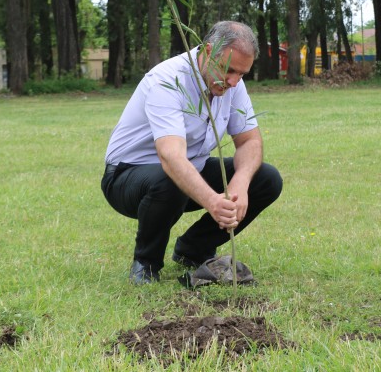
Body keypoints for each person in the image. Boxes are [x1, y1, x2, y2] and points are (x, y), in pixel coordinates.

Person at [101, 21, 283, 284]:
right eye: (229, 70)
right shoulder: (167, 80)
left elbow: (249, 142)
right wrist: (213, 202)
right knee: (170, 177)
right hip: (127, 178)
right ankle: (146, 264)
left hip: (186, 172)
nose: (233, 81)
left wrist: (240, 185)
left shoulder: (232, 83)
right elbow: (171, 156)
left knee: (266, 178)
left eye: (242, 74)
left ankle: (193, 250)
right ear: (208, 51)